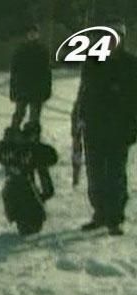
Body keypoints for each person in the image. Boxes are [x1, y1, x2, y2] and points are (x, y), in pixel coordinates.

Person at [72, 19, 137, 236]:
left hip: (119, 129)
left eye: (115, 36)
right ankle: (99, 213)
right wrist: (77, 120)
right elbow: (83, 93)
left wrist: (133, 128)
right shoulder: (92, 61)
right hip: (94, 128)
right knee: (95, 174)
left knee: (116, 175)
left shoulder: (130, 64)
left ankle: (115, 217)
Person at [0, 121, 58, 236]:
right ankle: (25, 220)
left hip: (30, 194)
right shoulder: (11, 148)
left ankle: (30, 221)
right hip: (17, 195)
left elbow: (52, 158)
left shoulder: (36, 150)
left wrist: (32, 155)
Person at [10, 23, 52, 130]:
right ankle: (13, 134)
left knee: (35, 117)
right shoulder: (20, 51)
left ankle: (34, 138)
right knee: (19, 114)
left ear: (38, 35)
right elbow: (14, 72)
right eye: (30, 33)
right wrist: (13, 90)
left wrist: (47, 89)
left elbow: (47, 72)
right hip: (22, 88)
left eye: (34, 33)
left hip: (37, 89)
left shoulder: (42, 51)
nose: (32, 35)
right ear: (27, 35)